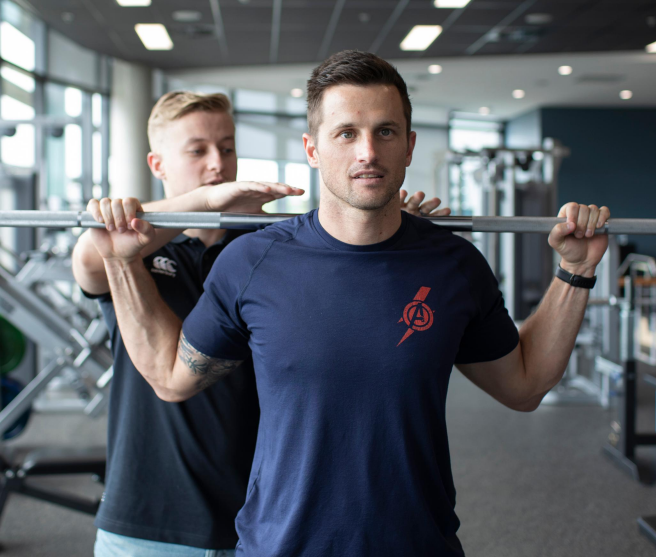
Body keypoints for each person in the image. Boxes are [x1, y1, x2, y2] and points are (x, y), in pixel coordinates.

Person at [87, 51, 611, 556]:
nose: (367, 152)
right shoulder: (251, 261)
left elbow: (524, 386)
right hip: (280, 548)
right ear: (312, 149)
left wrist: (576, 270)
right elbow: (171, 378)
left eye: (385, 132)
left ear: (408, 145)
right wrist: (120, 262)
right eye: (346, 133)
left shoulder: (453, 265)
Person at [72, 90, 448, 556]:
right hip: (147, 518)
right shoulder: (132, 249)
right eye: (198, 150)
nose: (217, 162)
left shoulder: (265, 253)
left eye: (226, 148)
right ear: (157, 164)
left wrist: (391, 227)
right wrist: (207, 200)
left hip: (257, 517)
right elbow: (93, 256)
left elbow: (346, 284)